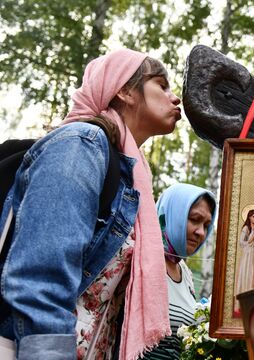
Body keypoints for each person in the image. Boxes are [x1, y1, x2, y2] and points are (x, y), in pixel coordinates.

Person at [0, 49, 182, 360]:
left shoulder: (134, 176)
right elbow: (42, 278)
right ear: (124, 90)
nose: (174, 97)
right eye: (161, 85)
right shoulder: (81, 144)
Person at [143, 183, 216, 359]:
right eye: (194, 219)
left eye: (206, 225)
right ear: (171, 215)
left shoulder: (184, 272)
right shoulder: (140, 258)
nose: (201, 232)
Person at [234, 209, 254, 296]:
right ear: (249, 217)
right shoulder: (246, 228)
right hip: (248, 254)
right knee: (248, 272)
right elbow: (241, 242)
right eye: (253, 217)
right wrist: (249, 243)